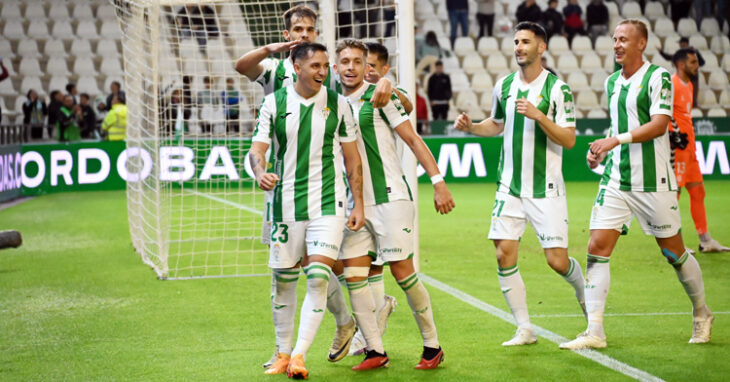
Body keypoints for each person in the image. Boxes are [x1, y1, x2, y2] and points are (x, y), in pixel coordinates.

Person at [235, 5, 387, 372]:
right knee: (291, 272)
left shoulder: (329, 75)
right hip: (284, 194)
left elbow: (362, 77)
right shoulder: (274, 76)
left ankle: (307, 348)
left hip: (327, 194)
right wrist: (260, 171)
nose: (305, 34)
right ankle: (333, 328)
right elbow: (242, 67)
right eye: (298, 29)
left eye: (310, 28)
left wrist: (385, 80)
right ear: (288, 34)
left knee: (319, 270)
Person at [560, 19, 714, 350]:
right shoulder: (612, 82)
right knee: (597, 248)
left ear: (641, 43)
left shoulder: (658, 77)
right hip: (616, 178)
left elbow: (659, 125)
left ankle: (702, 313)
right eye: (614, 39)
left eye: (623, 39)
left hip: (653, 181)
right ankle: (595, 330)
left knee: (674, 253)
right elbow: (619, 127)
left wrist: (614, 140)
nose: (616, 44)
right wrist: (600, 152)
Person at [454, 21, 586, 346]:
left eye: (525, 41)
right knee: (503, 253)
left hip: (546, 189)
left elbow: (569, 140)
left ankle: (587, 298)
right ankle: (524, 328)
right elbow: (496, 124)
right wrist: (472, 127)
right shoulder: (505, 85)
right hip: (509, 187)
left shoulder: (558, 89)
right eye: (516, 41)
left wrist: (539, 116)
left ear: (541, 47)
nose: (518, 47)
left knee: (557, 261)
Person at [247, 42, 365, 380]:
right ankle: (282, 352)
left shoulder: (339, 105)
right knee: (283, 280)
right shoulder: (274, 103)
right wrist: (260, 172)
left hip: (329, 202)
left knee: (317, 277)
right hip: (285, 203)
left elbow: (352, 160)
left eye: (325, 66)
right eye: (315, 65)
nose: (322, 72)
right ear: (296, 67)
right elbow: (258, 149)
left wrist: (359, 203)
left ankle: (299, 355)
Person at [335, 39, 454, 370]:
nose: (352, 67)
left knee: (403, 273)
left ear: (366, 68)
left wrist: (438, 182)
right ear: (336, 67)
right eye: (345, 62)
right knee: (354, 275)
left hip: (391, 199)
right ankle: (375, 349)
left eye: (359, 62)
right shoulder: (331, 105)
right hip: (357, 205)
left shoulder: (381, 98)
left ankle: (432, 346)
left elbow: (414, 139)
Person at [346, 41, 414, 357]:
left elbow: (408, 105)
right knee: (343, 264)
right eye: (364, 64)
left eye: (373, 66)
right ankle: (376, 316)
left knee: (371, 267)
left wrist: (387, 86)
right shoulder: (343, 92)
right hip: (353, 193)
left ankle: (369, 337)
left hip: (385, 192)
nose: (367, 70)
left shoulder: (387, 94)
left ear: (384, 70)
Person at [669, 48, 729, 253]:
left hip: (691, 148)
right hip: (677, 148)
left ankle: (705, 240)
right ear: (681, 64)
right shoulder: (672, 84)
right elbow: (662, 113)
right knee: (673, 196)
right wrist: (673, 134)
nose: (697, 66)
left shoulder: (689, 86)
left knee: (698, 191)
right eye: (693, 62)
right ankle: (674, 244)